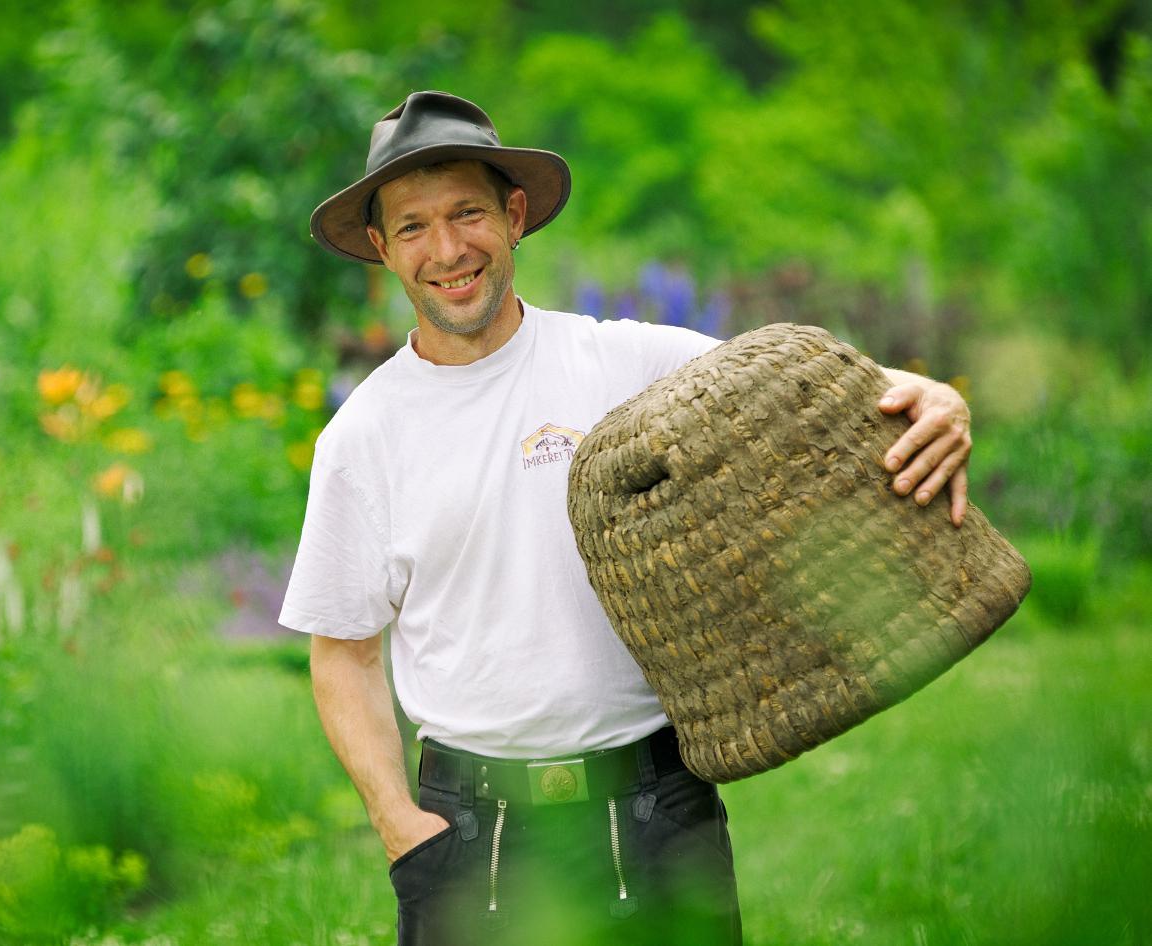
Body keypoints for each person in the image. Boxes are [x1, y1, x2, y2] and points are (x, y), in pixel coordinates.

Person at [279, 91, 972, 946]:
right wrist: (400, 828)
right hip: (472, 838)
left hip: (657, 815)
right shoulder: (363, 435)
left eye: (468, 213)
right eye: (414, 227)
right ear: (381, 248)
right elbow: (342, 654)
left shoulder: (627, 361)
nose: (448, 249)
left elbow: (807, 400)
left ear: (516, 215)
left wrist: (932, 396)